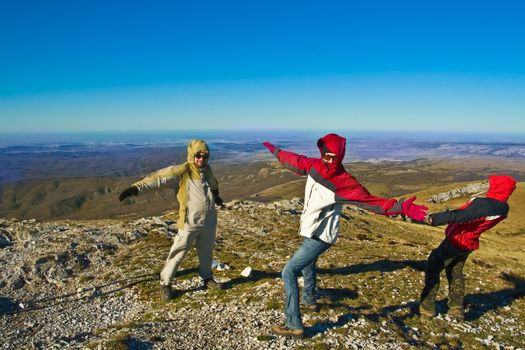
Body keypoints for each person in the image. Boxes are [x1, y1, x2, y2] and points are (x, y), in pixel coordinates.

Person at [262, 133, 428, 338]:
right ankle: (310, 301)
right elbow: (296, 161)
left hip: (320, 235)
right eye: (325, 154)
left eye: (332, 156)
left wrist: (400, 207)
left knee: (288, 272)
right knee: (307, 264)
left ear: (339, 156)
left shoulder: (344, 182)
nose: (328, 160)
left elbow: (371, 202)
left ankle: (294, 324)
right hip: (310, 229)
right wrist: (277, 152)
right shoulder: (316, 165)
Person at [119, 139, 225, 300]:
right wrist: (136, 188)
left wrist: (217, 197)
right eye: (198, 156)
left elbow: (213, 184)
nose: (201, 159)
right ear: (191, 155)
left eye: (205, 156)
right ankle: (165, 283)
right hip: (190, 222)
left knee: (206, 252)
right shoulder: (182, 171)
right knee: (178, 253)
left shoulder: (208, 170)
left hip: (209, 220)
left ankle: (207, 278)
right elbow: (158, 178)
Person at [419, 175, 516, 321]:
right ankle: (456, 309)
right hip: (469, 243)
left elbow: (464, 216)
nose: (490, 185)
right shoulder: (503, 207)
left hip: (456, 241)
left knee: (433, 267)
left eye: (493, 184)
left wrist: (435, 218)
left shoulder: (486, 205)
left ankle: (427, 310)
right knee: (455, 272)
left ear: (497, 187)